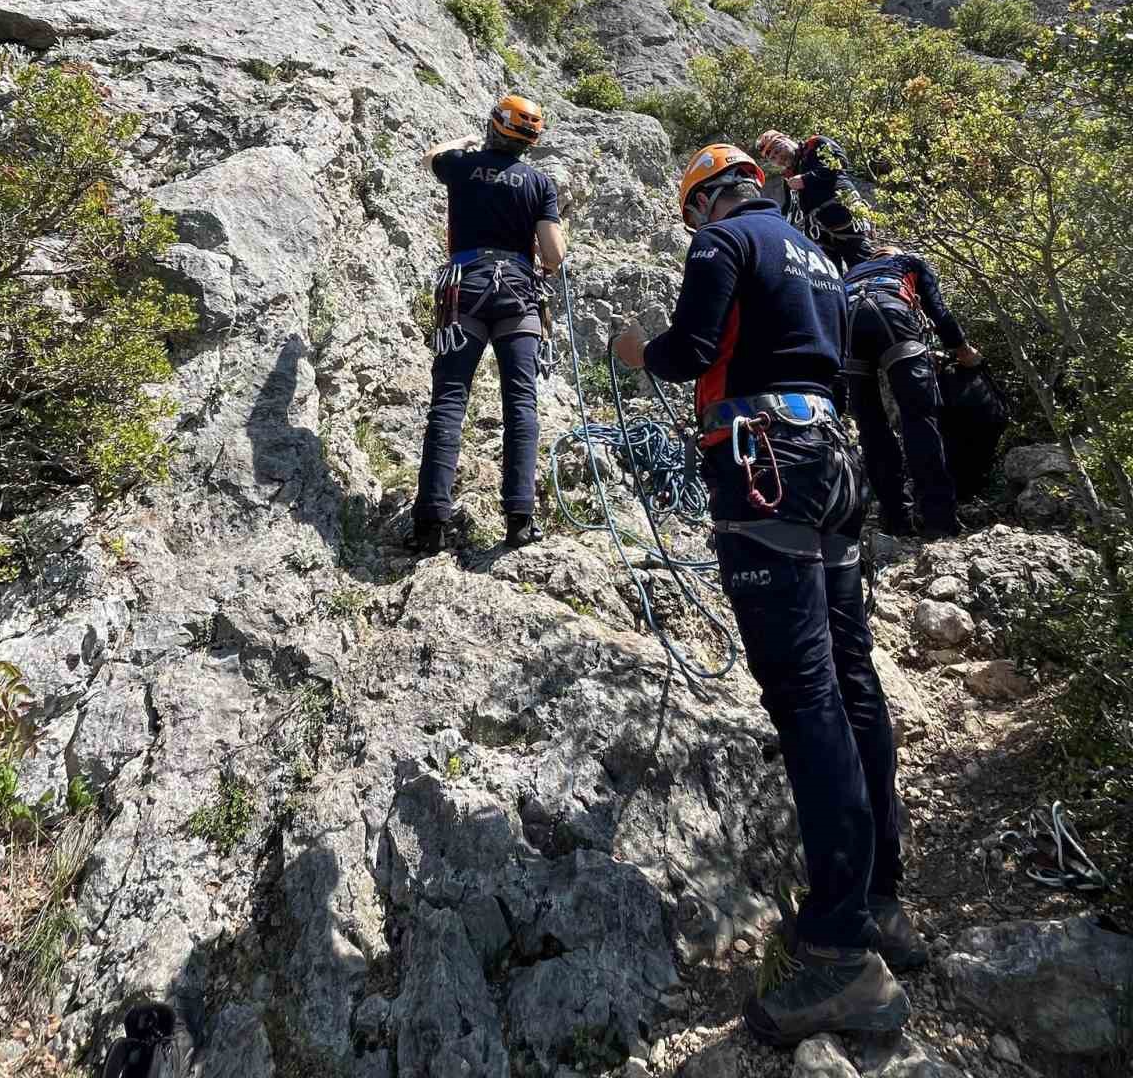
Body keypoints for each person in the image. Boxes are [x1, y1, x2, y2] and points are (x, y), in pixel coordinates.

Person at [614, 143, 921, 1048]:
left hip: (764, 469)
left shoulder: (724, 242)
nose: (694, 225)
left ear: (706, 199)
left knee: (806, 695)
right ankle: (880, 899)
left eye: (691, 212)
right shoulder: (817, 253)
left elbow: (690, 351)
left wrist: (636, 351)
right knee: (852, 679)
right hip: (830, 466)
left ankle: (838, 952)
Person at [410, 94, 566, 552]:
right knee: (521, 404)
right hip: (518, 294)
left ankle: (429, 525)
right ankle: (519, 520)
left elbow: (430, 157)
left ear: (494, 127)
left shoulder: (462, 165)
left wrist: (463, 142)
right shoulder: (539, 183)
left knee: (449, 402)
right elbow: (554, 255)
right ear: (530, 142)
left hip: (465, 290)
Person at [843, 244, 982, 540]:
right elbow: (938, 312)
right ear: (896, 253)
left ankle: (896, 520)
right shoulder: (909, 262)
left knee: (871, 427)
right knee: (918, 418)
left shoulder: (851, 274)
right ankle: (938, 521)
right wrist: (963, 350)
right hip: (891, 312)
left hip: (848, 325)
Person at [756, 130, 874, 270]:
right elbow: (788, 208)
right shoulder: (789, 176)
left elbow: (839, 163)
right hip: (818, 231)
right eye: (773, 158)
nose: (778, 158)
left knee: (862, 267)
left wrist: (806, 179)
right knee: (828, 277)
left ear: (786, 140)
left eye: (777, 150)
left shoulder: (816, 144)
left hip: (845, 217)